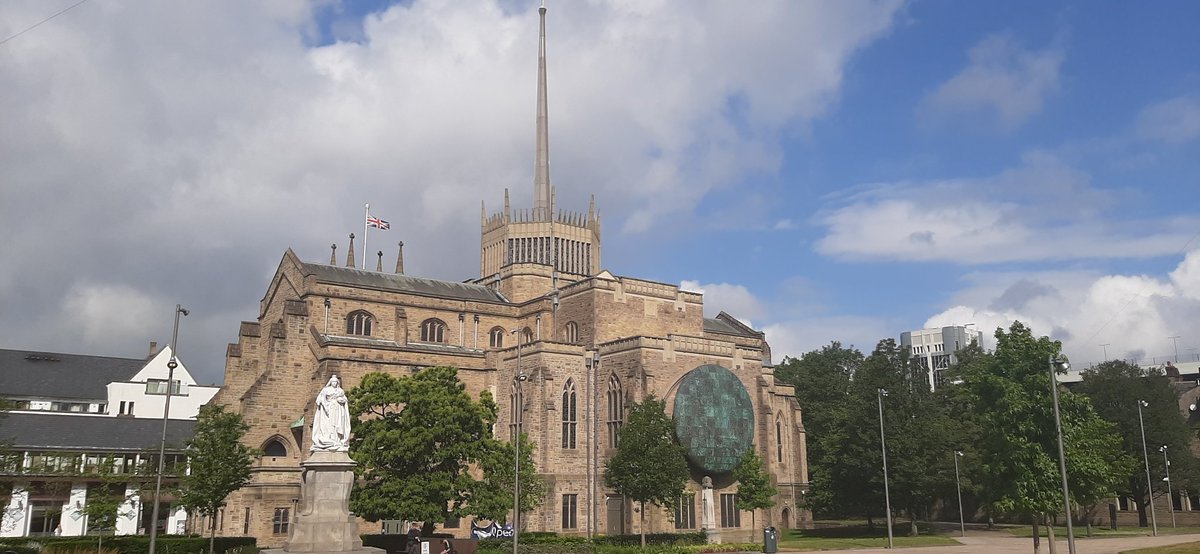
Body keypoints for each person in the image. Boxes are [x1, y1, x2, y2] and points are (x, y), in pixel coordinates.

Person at [310, 375, 351, 452]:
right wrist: (324, 405)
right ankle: (328, 439)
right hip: (328, 409)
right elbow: (320, 399)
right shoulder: (326, 390)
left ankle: (336, 440)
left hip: (338, 409)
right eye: (333, 382)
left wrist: (341, 400)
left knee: (336, 424)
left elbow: (345, 399)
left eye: (335, 382)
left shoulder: (340, 391)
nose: (334, 383)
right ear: (330, 382)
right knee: (328, 425)